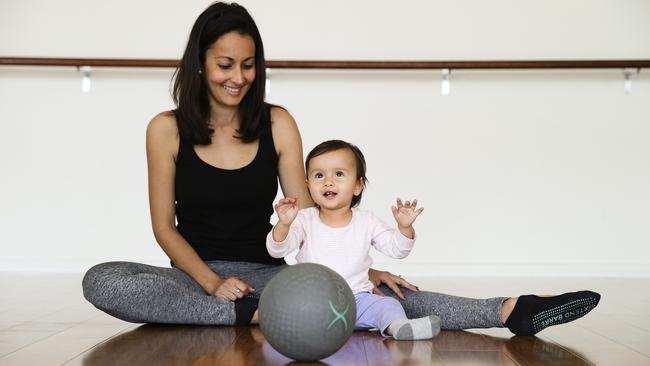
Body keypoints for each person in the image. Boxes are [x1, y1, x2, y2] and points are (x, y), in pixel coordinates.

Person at [82, 1, 600, 334]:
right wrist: (213, 283)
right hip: (193, 280)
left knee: (379, 298)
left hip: (274, 274)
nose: (238, 77)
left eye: (248, 63)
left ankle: (509, 310)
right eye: (225, 65)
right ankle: (250, 316)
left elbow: (313, 216)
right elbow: (163, 228)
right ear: (200, 64)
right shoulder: (165, 128)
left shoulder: (277, 122)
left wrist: (354, 262)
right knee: (103, 280)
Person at [266, 140, 440, 340]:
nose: (328, 182)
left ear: (358, 185)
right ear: (308, 186)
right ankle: (302, 332)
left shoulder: (366, 221)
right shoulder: (304, 219)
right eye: (319, 175)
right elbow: (277, 250)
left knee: (388, 305)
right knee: (288, 307)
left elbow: (397, 250)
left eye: (339, 174)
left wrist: (404, 227)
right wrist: (284, 225)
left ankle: (399, 327)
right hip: (313, 303)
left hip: (358, 301)